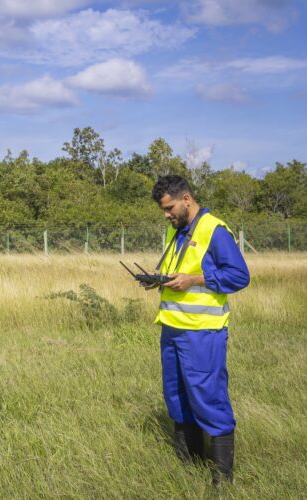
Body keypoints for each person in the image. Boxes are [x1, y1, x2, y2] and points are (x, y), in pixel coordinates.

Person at [145, 175, 250, 487]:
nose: (166, 214)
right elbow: (178, 270)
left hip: (203, 332)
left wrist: (195, 279)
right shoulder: (174, 229)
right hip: (172, 328)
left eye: (170, 208)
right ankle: (188, 463)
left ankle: (222, 477)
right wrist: (159, 280)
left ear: (186, 198)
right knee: (176, 395)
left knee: (207, 395)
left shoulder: (214, 231)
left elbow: (239, 275)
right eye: (163, 210)